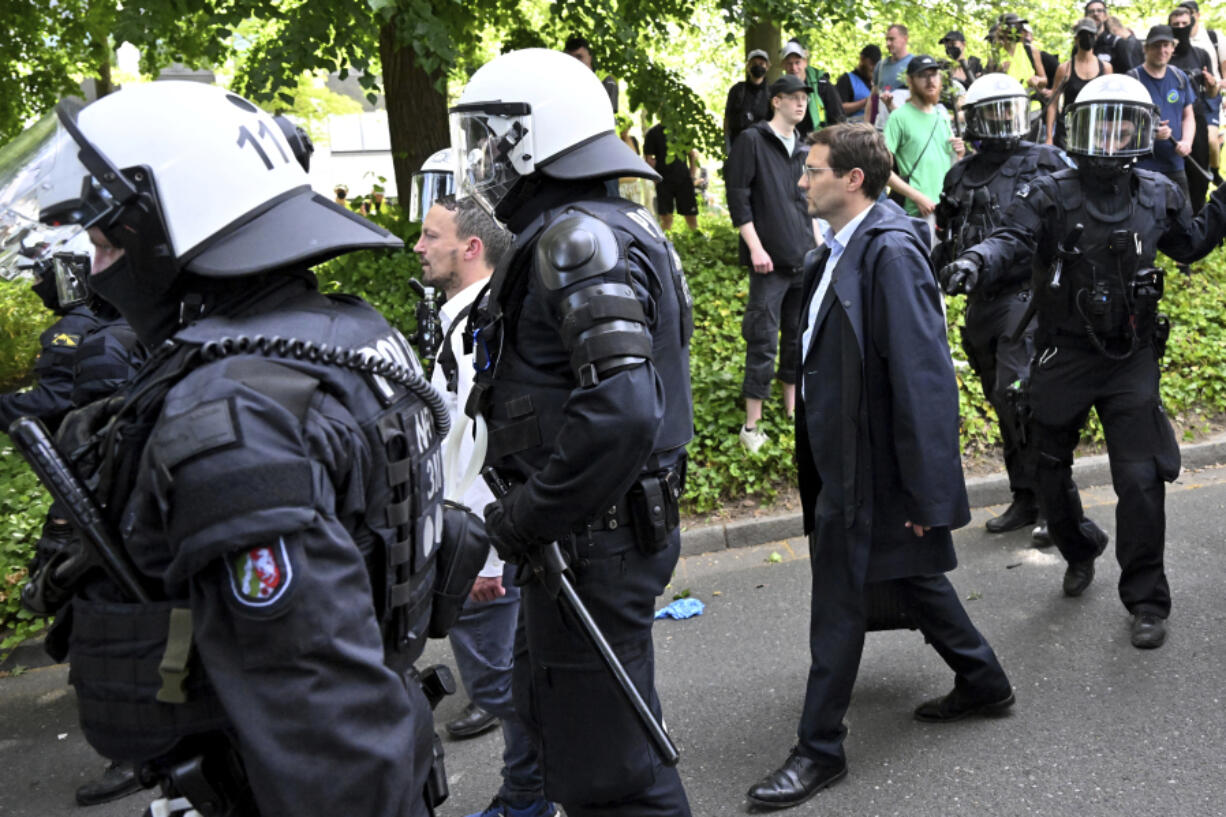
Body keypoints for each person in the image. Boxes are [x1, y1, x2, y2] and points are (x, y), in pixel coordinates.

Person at [3, 81, 453, 815]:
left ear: (172, 225)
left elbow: (327, 721)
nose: (92, 261)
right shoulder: (338, 329)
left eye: (105, 239)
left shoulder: (236, 411)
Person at [451, 48, 693, 816]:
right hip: (588, 536)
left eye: (491, 141)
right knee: (570, 736)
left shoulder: (576, 240)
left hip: (592, 539)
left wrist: (527, 517)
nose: (482, 162)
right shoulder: (600, 224)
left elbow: (622, 410)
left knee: (614, 775)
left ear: (533, 140)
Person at [746, 122, 1014, 811]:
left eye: (812, 171)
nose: (800, 181)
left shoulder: (890, 251)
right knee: (912, 577)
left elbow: (925, 380)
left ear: (853, 180)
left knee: (838, 602)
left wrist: (929, 496)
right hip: (846, 461)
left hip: (873, 469)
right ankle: (984, 680)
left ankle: (819, 748)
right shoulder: (837, 248)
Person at [941, 74, 1226, 650]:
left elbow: (1190, 243)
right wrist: (974, 260)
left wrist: (1221, 206)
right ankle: (1079, 546)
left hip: (1130, 357)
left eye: (1125, 125)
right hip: (1063, 352)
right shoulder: (1048, 191)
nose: (1111, 139)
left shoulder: (1159, 191)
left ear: (1143, 132)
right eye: (1101, 124)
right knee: (1049, 470)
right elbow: (1010, 240)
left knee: (1142, 481)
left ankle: (1146, 600)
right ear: (1077, 131)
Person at [413, 194, 556, 817]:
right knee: (512, 678)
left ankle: (538, 796)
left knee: (505, 682)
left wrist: (484, 558)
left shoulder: (479, 327)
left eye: (430, 236)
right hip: (477, 533)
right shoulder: (465, 316)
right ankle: (530, 792)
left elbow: (481, 444)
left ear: (471, 248)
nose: (418, 247)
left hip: (477, 541)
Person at [1, 234, 146, 808]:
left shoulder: (89, 336)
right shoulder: (126, 325)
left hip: (103, 504)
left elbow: (96, 435)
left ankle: (136, 749)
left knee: (107, 627)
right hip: (121, 504)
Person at [934, 74, 1072, 543]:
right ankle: (1025, 496)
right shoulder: (959, 173)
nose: (1002, 121)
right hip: (981, 302)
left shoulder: (1047, 161)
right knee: (1001, 401)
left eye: (1008, 109)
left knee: (1022, 397)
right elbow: (946, 234)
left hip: (1028, 299)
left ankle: (1057, 505)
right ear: (972, 119)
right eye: (991, 112)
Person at [725, 73, 817, 452]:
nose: (801, 103)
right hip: (769, 265)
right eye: (793, 97)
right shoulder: (752, 141)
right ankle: (752, 425)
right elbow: (738, 197)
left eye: (804, 98)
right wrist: (755, 247)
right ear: (775, 101)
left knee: (797, 338)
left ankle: (792, 410)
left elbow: (808, 203)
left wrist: (817, 247)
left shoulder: (805, 147)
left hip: (803, 259)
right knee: (761, 340)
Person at [885, 55, 966, 225]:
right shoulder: (898, 118)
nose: (930, 81)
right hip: (917, 214)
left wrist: (959, 154)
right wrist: (917, 197)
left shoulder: (942, 115)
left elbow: (950, 164)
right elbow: (881, 170)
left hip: (946, 210)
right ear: (910, 81)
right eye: (923, 75)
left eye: (934, 74)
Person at [1128, 25, 1196, 201]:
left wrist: (1187, 142)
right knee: (1145, 221)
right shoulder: (1132, 80)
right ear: (1146, 48)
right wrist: (1150, 134)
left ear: (1173, 48)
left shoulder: (1180, 77)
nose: (1162, 50)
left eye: (1166, 45)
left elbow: (1188, 115)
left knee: (1183, 220)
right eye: (1156, 45)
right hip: (1142, 167)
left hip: (1175, 165)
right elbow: (1122, 125)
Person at [1170, 4, 1220, 212]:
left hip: (1197, 118)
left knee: (1198, 174)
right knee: (1173, 173)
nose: (1181, 27)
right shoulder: (1165, 53)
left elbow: (1211, 94)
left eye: (1184, 23)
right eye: (1176, 24)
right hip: (1172, 120)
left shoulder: (1201, 54)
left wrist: (1212, 85)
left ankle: (1198, 219)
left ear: (1192, 24)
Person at [1046, 18, 1114, 150]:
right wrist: (1049, 137)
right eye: (1083, 35)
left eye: (1090, 35)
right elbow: (1053, 104)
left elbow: (1109, 104)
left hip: (1096, 134)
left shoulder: (1105, 68)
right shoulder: (1065, 69)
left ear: (1096, 37)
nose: (1087, 38)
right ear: (1076, 39)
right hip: (1067, 134)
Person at [1178, 0, 1226, 178]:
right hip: (1184, 99)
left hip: (1209, 97)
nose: (1186, 18)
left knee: (1211, 141)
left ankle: (1214, 172)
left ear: (1197, 15)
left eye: (1189, 12)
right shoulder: (1174, 42)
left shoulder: (1213, 38)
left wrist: (1216, 84)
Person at [781, 39, 845, 137]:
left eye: (797, 62)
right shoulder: (779, 90)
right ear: (783, 65)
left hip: (819, 141)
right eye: (789, 63)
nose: (793, 68)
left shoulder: (823, 86)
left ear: (805, 62)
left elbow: (839, 120)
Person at [644, 122, 700, 230]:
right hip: (663, 181)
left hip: (684, 179)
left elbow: (692, 154)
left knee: (691, 215)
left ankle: (696, 240)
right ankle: (666, 242)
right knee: (666, 217)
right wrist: (655, 177)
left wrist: (692, 175)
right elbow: (649, 159)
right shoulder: (653, 132)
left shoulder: (682, 130)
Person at [725, 49, 773, 154]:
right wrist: (728, 147)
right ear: (748, 66)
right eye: (754, 63)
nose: (758, 66)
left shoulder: (772, 93)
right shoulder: (737, 90)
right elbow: (727, 119)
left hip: (763, 149)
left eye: (761, 63)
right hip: (739, 147)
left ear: (768, 66)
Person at [563, 35, 619, 113]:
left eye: (579, 57)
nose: (574, 61)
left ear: (590, 57)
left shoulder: (607, 80)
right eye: (570, 58)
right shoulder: (560, 81)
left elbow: (607, 114)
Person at [873, 24, 914, 128]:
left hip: (905, 127)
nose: (888, 43)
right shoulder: (881, 65)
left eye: (892, 39)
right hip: (882, 128)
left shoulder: (915, 63)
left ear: (905, 39)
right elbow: (873, 97)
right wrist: (867, 123)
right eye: (886, 40)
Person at [837, 45, 881, 123]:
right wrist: (866, 101)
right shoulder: (846, 80)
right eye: (871, 63)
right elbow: (839, 108)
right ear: (862, 59)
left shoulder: (878, 82)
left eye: (876, 65)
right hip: (852, 131)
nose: (873, 68)